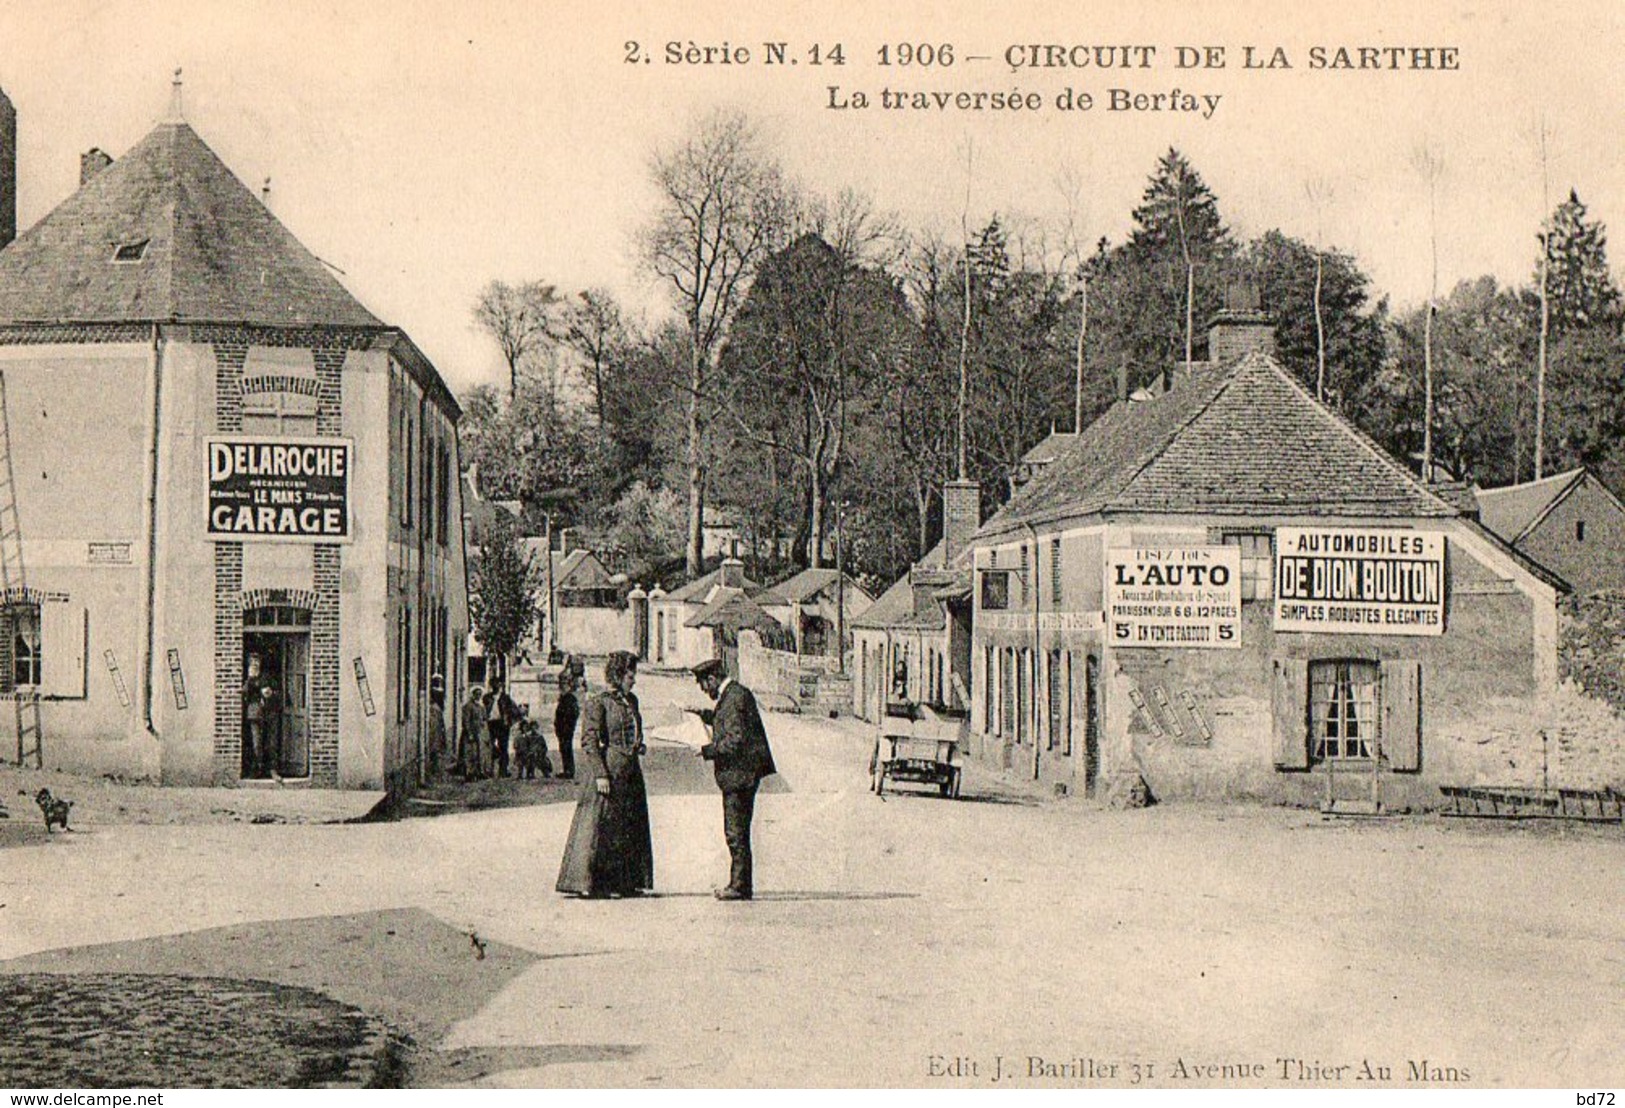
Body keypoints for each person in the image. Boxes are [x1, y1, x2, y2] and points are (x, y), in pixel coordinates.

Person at [556, 651, 654, 899]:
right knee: (604, 827)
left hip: (630, 771)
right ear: (619, 675)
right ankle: (597, 883)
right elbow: (589, 741)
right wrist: (600, 774)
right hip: (609, 771)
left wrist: (637, 745)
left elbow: (631, 731)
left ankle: (626, 882)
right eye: (631, 675)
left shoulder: (632, 701)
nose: (634, 681)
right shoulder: (599, 702)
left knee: (629, 825)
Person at [692, 658, 776, 901]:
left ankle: (739, 886)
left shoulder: (735, 698)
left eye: (703, 685)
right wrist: (704, 715)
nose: (704, 691)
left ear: (712, 679)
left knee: (735, 832)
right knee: (737, 830)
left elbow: (735, 739)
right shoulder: (734, 695)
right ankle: (739, 883)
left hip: (740, 776)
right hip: (742, 775)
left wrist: (706, 750)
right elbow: (726, 720)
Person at [553, 661, 582, 780]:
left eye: (563, 685)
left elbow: (572, 715)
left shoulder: (569, 699)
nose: (560, 687)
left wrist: (567, 727)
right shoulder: (565, 698)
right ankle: (567, 769)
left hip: (566, 728)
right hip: (563, 728)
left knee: (566, 748)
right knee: (564, 748)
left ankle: (569, 770)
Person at [487, 676, 520, 778]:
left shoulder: (505, 698)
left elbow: (515, 711)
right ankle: (489, 770)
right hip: (490, 724)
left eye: (497, 684)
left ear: (500, 685)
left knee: (503, 747)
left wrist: (510, 722)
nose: (496, 686)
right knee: (489, 747)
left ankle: (503, 771)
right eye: (493, 684)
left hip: (502, 724)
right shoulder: (487, 698)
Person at [460, 686, 489, 781]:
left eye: (480, 694)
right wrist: (469, 733)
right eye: (476, 694)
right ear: (473, 695)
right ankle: (469, 774)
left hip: (479, 733)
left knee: (479, 754)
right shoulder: (468, 706)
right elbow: (466, 721)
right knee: (470, 754)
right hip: (471, 733)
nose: (478, 696)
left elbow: (484, 719)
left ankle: (479, 772)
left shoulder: (481, 707)